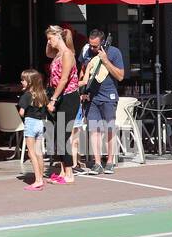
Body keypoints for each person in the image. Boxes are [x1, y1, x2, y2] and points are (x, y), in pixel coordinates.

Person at [78, 29, 124, 175]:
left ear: (103, 43)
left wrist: (105, 61)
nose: (92, 48)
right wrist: (82, 91)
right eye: (90, 45)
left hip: (108, 96)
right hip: (91, 97)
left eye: (95, 46)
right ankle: (97, 163)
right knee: (94, 130)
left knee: (109, 129)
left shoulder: (115, 53)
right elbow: (83, 71)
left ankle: (110, 161)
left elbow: (120, 76)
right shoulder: (86, 52)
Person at [44, 24, 79, 184]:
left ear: (58, 37)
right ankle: (64, 171)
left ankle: (69, 173)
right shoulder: (58, 53)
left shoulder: (67, 54)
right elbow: (48, 53)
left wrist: (53, 99)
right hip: (60, 96)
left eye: (50, 39)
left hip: (68, 97)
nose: (49, 42)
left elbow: (64, 79)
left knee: (63, 135)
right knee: (58, 135)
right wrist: (50, 38)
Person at [17, 69, 50, 190]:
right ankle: (41, 177)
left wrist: (22, 113)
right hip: (40, 123)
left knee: (31, 153)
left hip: (30, 123)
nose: (22, 82)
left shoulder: (27, 95)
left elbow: (21, 112)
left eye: (24, 80)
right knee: (38, 152)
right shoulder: (42, 94)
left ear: (30, 82)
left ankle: (38, 180)